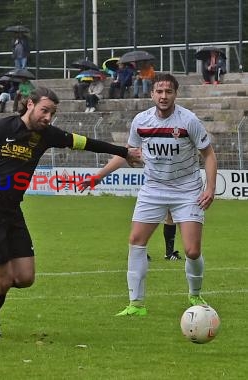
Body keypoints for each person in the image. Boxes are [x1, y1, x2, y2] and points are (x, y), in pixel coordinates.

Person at [0, 87, 141, 337]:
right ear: (29, 104)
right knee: (3, 280)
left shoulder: (46, 135)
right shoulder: (1, 128)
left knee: (25, 277)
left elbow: (85, 142)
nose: (48, 117)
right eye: (44, 110)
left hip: (13, 210)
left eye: (52, 113)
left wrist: (123, 152)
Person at [81, 73, 217, 316]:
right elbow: (128, 153)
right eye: (159, 92)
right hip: (153, 188)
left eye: (168, 92)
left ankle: (195, 295)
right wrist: (98, 176)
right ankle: (136, 304)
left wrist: (210, 188)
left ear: (176, 94)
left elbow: (208, 155)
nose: (163, 96)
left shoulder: (189, 121)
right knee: (136, 241)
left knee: (192, 251)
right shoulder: (141, 121)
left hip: (187, 189)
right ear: (152, 93)